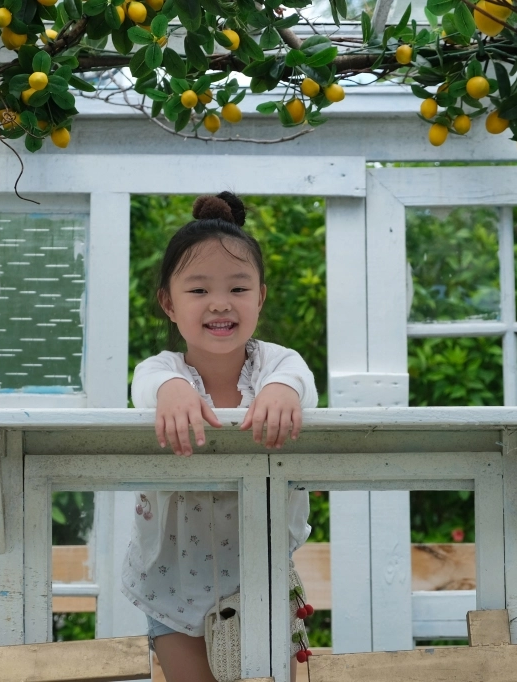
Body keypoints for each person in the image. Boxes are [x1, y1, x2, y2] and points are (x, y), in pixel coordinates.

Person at [123, 192, 317, 682]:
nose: (219, 304)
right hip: (169, 582)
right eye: (197, 291)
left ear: (260, 297)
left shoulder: (278, 365)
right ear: (168, 303)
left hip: (259, 579)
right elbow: (145, 384)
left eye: (238, 288)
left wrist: (278, 389)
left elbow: (299, 380)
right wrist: (171, 391)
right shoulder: (163, 372)